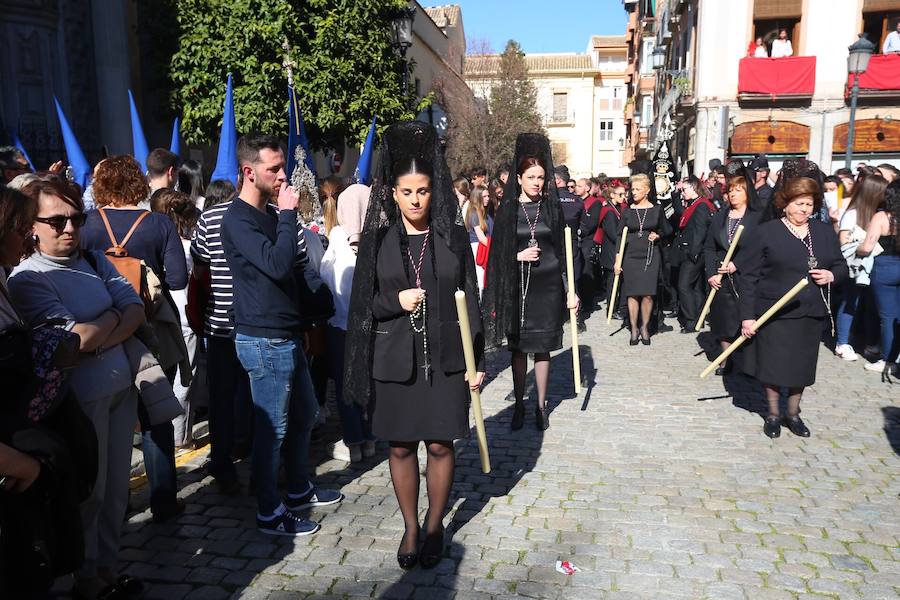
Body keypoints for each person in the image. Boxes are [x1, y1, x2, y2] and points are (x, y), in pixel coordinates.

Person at [343, 121, 485, 569]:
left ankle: (434, 524)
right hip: (394, 360)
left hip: (445, 360)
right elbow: (363, 306)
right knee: (401, 447)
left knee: (441, 446)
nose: (416, 200)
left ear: (433, 189)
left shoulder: (451, 237)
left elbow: (472, 301)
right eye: (406, 192)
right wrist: (395, 300)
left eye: (422, 190)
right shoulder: (380, 241)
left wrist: (475, 361)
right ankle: (409, 526)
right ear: (393, 193)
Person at [9, 179, 148, 599]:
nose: (69, 228)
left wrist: (99, 330)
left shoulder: (92, 258)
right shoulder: (27, 278)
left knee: (116, 490)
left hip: (121, 388)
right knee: (92, 490)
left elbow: (136, 308)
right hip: (81, 399)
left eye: (75, 218)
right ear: (31, 225)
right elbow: (73, 342)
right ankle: (85, 578)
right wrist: (110, 321)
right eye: (56, 220)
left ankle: (107, 568)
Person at [221, 133, 342, 536]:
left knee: (305, 414)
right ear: (247, 172)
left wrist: (302, 325)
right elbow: (275, 264)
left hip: (286, 333)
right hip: (262, 338)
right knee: (271, 429)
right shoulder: (237, 219)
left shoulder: (271, 214)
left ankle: (297, 489)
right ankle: (269, 511)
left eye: (281, 166)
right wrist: (289, 215)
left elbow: (290, 272)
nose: (282, 175)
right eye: (273, 168)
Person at [80, 155, 188, 522]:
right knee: (156, 415)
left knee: (112, 423)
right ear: (138, 184)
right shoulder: (157, 224)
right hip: (153, 329)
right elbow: (177, 278)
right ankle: (164, 501)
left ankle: (118, 502)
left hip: (104, 330)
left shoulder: (87, 225)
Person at [737, 177, 848, 438]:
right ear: (785, 204)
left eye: (809, 204)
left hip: (809, 312)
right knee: (773, 367)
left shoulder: (822, 231)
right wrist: (747, 317)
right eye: (799, 203)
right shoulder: (767, 232)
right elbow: (749, 276)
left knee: (801, 367)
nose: (804, 209)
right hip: (774, 313)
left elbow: (841, 265)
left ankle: (793, 413)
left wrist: (832, 276)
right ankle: (773, 415)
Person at [484, 133, 579, 431]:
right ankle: (520, 407)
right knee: (519, 348)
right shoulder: (508, 211)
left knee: (543, 347)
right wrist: (517, 255)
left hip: (548, 286)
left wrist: (570, 291)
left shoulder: (552, 208)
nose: (537, 182)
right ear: (520, 178)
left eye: (541, 177)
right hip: (519, 288)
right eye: (531, 177)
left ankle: (540, 405)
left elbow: (564, 252)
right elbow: (496, 256)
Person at [189, 180, 249, 493]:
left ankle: (223, 461)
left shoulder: (209, 219)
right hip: (253, 326)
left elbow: (199, 273)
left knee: (222, 398)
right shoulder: (276, 215)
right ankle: (251, 456)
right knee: (255, 398)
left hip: (221, 324)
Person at [319, 184, 376, 463]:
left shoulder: (340, 235)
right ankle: (368, 437)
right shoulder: (378, 235)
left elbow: (327, 276)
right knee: (366, 381)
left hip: (341, 323)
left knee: (346, 384)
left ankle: (353, 440)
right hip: (371, 323)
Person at [151, 189, 201, 447]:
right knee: (184, 379)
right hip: (184, 316)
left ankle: (170, 433)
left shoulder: (152, 241)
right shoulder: (187, 246)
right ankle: (179, 435)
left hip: (160, 316)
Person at [703, 167, 763, 375]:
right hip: (721, 277)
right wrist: (711, 273)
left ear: (747, 193)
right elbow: (709, 247)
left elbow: (760, 249)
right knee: (723, 321)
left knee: (744, 319)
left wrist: (738, 264)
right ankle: (724, 359)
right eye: (730, 190)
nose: (733, 194)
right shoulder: (720, 217)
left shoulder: (757, 219)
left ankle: (747, 362)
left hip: (745, 276)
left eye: (738, 190)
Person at [835, 174, 888, 362]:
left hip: (875, 267)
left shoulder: (880, 214)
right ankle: (842, 342)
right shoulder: (852, 214)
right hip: (855, 267)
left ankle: (869, 342)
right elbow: (843, 244)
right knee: (851, 302)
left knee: (872, 306)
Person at [615, 173, 672, 345]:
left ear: (647, 190)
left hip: (650, 256)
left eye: (638, 189)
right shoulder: (627, 211)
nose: (634, 192)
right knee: (632, 294)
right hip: (630, 256)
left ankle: (645, 327)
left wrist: (658, 235)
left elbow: (667, 230)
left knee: (648, 294)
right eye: (633, 189)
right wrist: (618, 261)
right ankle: (633, 328)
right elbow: (619, 237)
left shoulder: (657, 209)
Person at [856, 180, 899, 376]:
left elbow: (867, 247)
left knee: (887, 317)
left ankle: (888, 360)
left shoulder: (881, 217)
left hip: (885, 268)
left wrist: (855, 247)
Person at [675, 176, 716, 332]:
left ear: (693, 188)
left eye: (684, 189)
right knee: (696, 287)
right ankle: (697, 318)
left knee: (684, 285)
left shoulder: (701, 206)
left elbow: (700, 231)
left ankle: (691, 320)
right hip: (693, 251)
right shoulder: (694, 204)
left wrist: (694, 253)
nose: (682, 193)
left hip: (694, 252)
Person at [577, 177, 600, 328]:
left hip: (587, 241)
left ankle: (588, 303)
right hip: (576, 241)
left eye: (579, 186)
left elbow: (591, 223)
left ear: (587, 188)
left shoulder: (595, 203)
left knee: (586, 271)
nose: (576, 188)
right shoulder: (575, 201)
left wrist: (580, 229)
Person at [464, 185, 490, 291]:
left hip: (483, 247)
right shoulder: (474, 213)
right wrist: (497, 247)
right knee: (480, 279)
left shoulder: (484, 213)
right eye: (484, 196)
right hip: (478, 249)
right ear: (477, 197)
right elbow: (481, 237)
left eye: (488, 196)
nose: (487, 198)